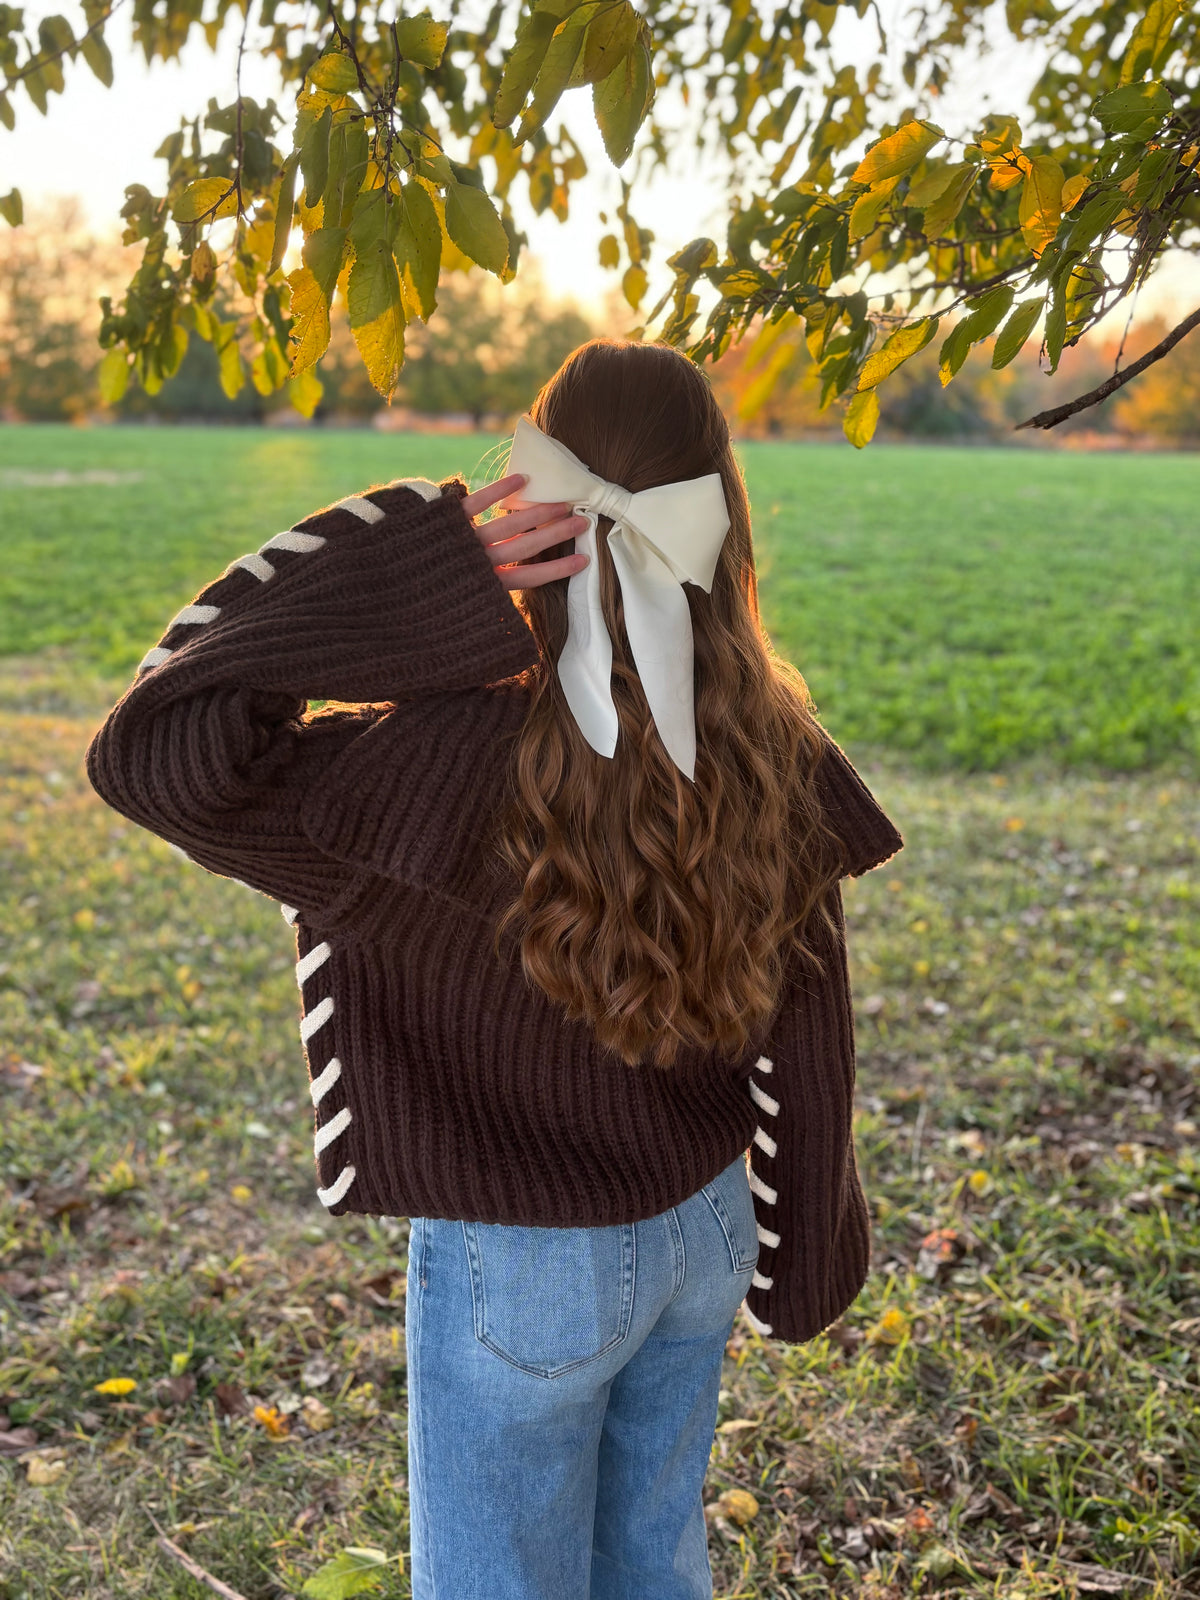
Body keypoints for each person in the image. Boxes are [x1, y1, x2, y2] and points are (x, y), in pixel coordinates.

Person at [85, 337, 903, 1599]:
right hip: (702, 1229)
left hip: (522, 1264)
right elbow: (811, 1024)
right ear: (720, 513)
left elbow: (158, 743)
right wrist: (801, 1254)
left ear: (528, 507)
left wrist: (409, 574)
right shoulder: (771, 749)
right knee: (651, 1561)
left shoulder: (428, 765)